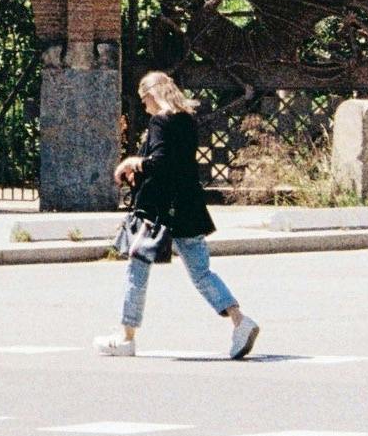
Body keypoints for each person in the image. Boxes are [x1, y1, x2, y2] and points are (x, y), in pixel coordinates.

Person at [99, 70, 258, 358]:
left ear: (152, 94)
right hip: (187, 206)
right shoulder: (185, 119)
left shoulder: (161, 120)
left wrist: (134, 163)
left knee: (136, 267)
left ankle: (126, 336)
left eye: (143, 98)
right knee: (201, 272)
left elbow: (160, 163)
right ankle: (240, 321)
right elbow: (179, 162)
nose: (143, 105)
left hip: (160, 209)